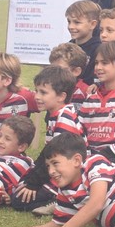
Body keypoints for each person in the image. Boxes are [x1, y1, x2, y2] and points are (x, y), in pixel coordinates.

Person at [12, 65, 85, 213]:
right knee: (19, 191)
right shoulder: (56, 115)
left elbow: (58, 157)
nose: (37, 96)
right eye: (37, 91)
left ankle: (60, 200)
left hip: (68, 175)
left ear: (61, 96)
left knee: (19, 200)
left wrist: (34, 183)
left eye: (43, 92)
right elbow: (48, 153)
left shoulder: (65, 119)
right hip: (57, 169)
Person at [64, 0, 103, 87]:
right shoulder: (67, 47)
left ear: (92, 24)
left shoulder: (99, 50)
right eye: (69, 22)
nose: (71, 26)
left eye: (77, 22)